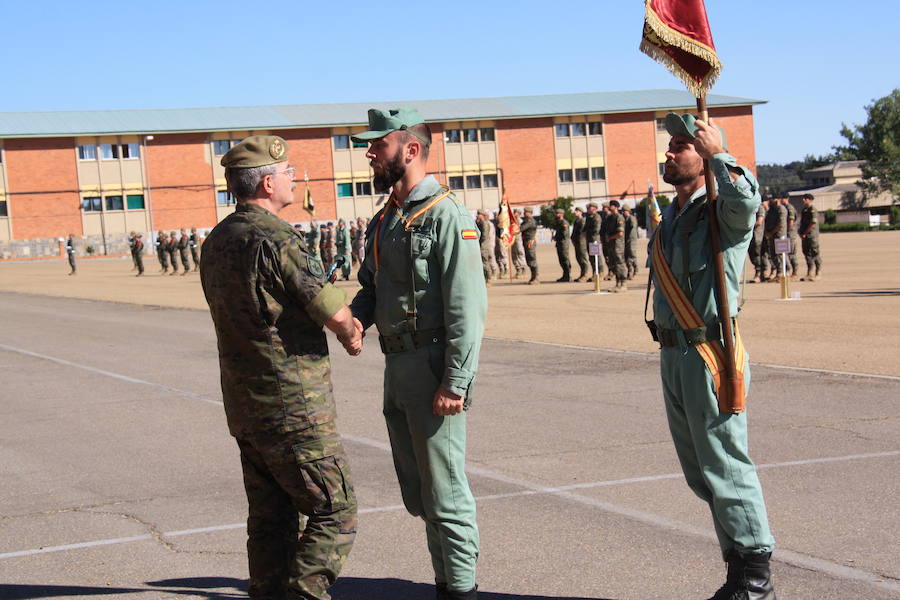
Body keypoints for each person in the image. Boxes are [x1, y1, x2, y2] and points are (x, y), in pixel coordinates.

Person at [201, 135, 360, 600]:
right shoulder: (275, 238)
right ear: (269, 183)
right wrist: (352, 332)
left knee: (271, 516)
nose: (293, 178)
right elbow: (331, 309)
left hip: (246, 404)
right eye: (289, 172)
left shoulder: (218, 239)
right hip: (294, 405)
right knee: (336, 508)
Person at [349, 108, 486, 600]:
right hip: (397, 365)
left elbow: (466, 308)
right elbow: (371, 286)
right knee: (420, 492)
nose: (368, 153)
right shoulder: (386, 218)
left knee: (445, 491)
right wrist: (355, 321)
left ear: (409, 150)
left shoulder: (447, 214)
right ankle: (445, 581)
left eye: (377, 145)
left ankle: (461, 590)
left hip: (432, 368)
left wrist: (455, 381)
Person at [650, 113, 776, 599]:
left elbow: (748, 201)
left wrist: (719, 152)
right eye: (671, 146)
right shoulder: (672, 213)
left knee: (725, 462)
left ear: (700, 157)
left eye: (680, 146)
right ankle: (736, 567)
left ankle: (755, 577)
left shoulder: (721, 209)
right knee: (700, 470)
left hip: (709, 351)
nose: (669, 153)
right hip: (673, 352)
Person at [604, 200, 627, 292]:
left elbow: (620, 233)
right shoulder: (610, 217)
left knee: (620, 263)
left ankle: (623, 283)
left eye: (612, 205)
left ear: (616, 207)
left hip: (618, 244)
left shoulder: (619, 217)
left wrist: (610, 237)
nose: (610, 207)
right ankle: (617, 283)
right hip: (611, 244)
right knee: (613, 263)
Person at [799, 193, 822, 281]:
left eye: (806, 198)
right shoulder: (804, 210)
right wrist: (801, 233)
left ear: (810, 200)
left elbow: (813, 223)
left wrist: (805, 232)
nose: (804, 200)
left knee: (815, 253)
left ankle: (818, 272)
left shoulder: (813, 210)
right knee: (807, 253)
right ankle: (809, 273)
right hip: (805, 235)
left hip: (812, 235)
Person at [764, 192, 787, 282]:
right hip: (772, 235)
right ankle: (778, 272)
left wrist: (772, 232)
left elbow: (780, 224)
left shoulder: (781, 209)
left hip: (779, 235)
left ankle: (781, 273)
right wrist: (767, 232)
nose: (771, 200)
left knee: (780, 255)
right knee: (773, 255)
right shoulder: (771, 209)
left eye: (773, 198)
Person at [748, 198, 768, 283]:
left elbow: (759, 221)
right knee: (752, 254)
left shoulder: (760, 208)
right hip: (751, 236)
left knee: (758, 255)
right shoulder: (750, 208)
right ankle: (760, 272)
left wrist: (748, 226)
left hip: (758, 236)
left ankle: (760, 273)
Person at [476, 209, 497, 285]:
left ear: (482, 215)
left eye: (479, 214)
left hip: (484, 245)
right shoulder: (479, 222)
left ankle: (489, 278)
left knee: (485, 262)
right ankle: (486, 278)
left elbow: (484, 235)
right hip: (481, 245)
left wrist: (478, 240)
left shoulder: (484, 223)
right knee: (482, 262)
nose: (477, 215)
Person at [782, 195, 800, 280]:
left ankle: (795, 272)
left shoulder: (790, 208)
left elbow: (791, 221)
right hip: (785, 234)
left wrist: (786, 230)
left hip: (790, 234)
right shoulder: (783, 207)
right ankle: (788, 270)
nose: (782, 200)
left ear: (787, 199)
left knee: (792, 253)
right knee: (785, 253)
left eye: (784, 198)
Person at [519, 206, 539, 284]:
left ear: (530, 213)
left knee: (532, 259)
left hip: (530, 242)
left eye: (526, 212)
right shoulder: (526, 221)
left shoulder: (530, 221)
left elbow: (521, 229)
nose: (524, 213)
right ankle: (533, 277)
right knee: (529, 260)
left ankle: (535, 278)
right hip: (526, 241)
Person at [583, 202, 602, 278]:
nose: (587, 209)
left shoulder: (596, 217)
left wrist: (587, 232)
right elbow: (585, 227)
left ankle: (600, 273)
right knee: (591, 258)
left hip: (595, 239)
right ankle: (595, 272)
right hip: (589, 239)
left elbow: (596, 229)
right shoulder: (589, 217)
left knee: (597, 257)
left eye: (589, 208)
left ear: (594, 208)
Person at [571, 207, 590, 282]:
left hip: (581, 242)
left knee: (583, 258)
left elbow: (582, 232)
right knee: (578, 258)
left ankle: (585, 275)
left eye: (577, 211)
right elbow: (574, 232)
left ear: (581, 212)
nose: (575, 212)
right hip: (577, 242)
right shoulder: (576, 221)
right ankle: (582, 274)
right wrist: (573, 239)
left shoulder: (583, 220)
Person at [552, 208, 571, 282]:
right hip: (559, 243)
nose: (556, 215)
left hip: (563, 243)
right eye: (556, 213)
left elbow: (565, 234)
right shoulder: (558, 222)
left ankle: (567, 275)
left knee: (565, 259)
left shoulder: (564, 223)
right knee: (561, 260)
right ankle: (565, 275)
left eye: (558, 213)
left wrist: (557, 237)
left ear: (562, 214)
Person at [622, 205, 639, 280]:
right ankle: (631, 270)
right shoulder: (624, 219)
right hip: (626, 240)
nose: (623, 212)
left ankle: (634, 269)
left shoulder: (631, 218)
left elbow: (632, 228)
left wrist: (629, 238)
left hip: (631, 239)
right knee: (627, 255)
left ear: (628, 211)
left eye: (624, 211)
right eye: (622, 211)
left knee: (632, 254)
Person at [510, 209, 526, 278]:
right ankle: (518, 270)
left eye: (516, 213)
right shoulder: (511, 222)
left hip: (519, 240)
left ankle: (523, 269)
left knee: (520, 254)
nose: (514, 214)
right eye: (514, 213)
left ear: (519, 214)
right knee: (514, 255)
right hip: (513, 240)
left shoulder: (521, 222)